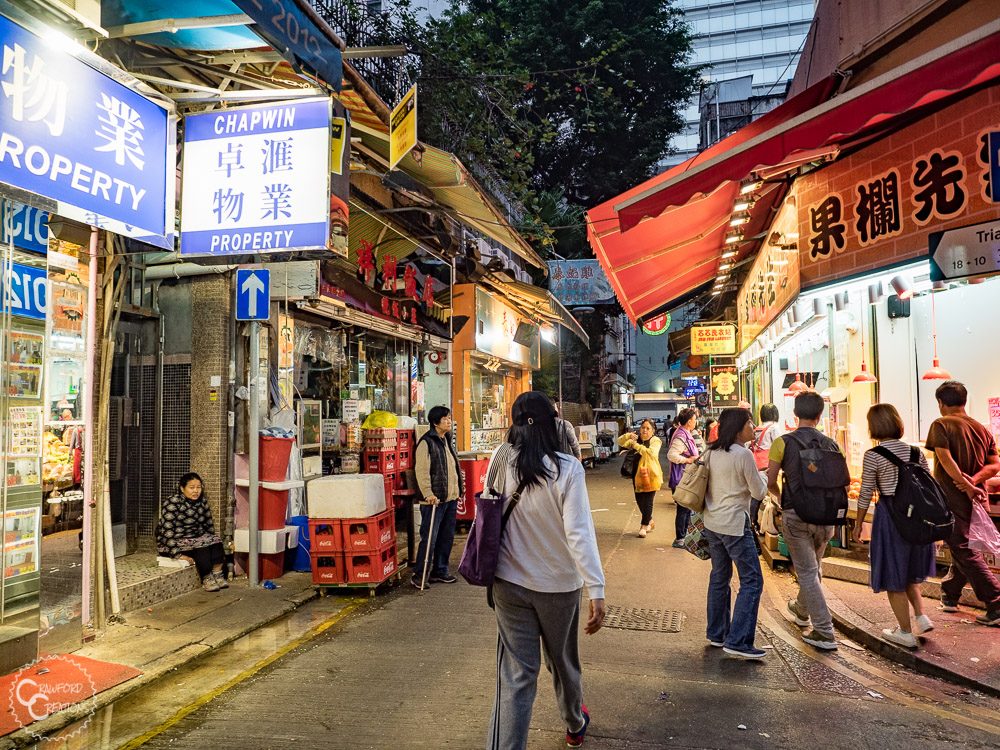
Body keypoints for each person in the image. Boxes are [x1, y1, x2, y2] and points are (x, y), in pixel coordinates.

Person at [485, 392, 606, 750]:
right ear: (553, 424)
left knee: (517, 676)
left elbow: (488, 514)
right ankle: (574, 721)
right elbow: (579, 533)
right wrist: (596, 588)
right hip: (558, 587)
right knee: (563, 661)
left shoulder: (500, 460)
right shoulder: (567, 469)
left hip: (507, 583)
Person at [852, 404, 936, 648]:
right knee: (910, 570)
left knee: (893, 573)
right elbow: (927, 485)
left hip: (890, 517)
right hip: (917, 518)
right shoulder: (915, 452)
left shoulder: (873, 455)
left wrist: (858, 524)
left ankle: (905, 632)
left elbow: (866, 492)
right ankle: (921, 616)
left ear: (874, 427)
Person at [766, 391, 841, 651]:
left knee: (807, 571)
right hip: (827, 517)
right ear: (820, 415)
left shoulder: (783, 443)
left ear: (795, 414)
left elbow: (771, 481)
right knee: (815, 568)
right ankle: (801, 610)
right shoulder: (831, 444)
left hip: (796, 515)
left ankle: (824, 631)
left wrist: (780, 498)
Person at [924, 381, 1000, 626]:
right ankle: (950, 593)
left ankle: (996, 601)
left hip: (951, 498)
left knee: (963, 547)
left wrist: (965, 484)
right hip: (978, 499)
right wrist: (975, 482)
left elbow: (945, 460)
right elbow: (995, 465)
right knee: (961, 547)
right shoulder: (981, 428)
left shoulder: (941, 424)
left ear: (941, 403)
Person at [702, 408, 769, 659]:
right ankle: (739, 640)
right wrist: (765, 477)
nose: (753, 427)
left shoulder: (711, 451)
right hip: (733, 525)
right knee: (752, 580)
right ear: (738, 427)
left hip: (712, 523)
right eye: (750, 423)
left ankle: (718, 633)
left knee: (720, 577)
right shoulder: (743, 455)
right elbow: (758, 492)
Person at [413, 405, 465, 589]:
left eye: (450, 418)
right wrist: (428, 494)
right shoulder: (426, 443)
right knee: (430, 538)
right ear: (435, 422)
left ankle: (440, 570)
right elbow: (422, 471)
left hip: (450, 498)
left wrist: (458, 490)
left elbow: (452, 469)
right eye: (445, 419)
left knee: (446, 537)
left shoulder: (446, 440)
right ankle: (420, 574)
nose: (449, 421)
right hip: (433, 500)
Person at [156, 473, 227, 592]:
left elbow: (208, 524)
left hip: (195, 538)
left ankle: (217, 574)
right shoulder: (173, 502)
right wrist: (177, 554)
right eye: (192, 487)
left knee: (216, 541)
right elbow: (166, 531)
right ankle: (207, 578)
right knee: (201, 547)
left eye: (198, 487)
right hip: (173, 542)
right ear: (182, 488)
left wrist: (211, 539)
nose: (196, 491)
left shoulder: (202, 502)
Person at [618, 419, 663, 537]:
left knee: (648, 501)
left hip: (651, 474)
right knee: (639, 501)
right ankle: (650, 520)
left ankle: (643, 526)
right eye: (643, 427)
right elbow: (620, 442)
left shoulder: (655, 440)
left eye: (648, 428)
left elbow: (651, 453)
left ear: (653, 431)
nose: (645, 430)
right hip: (637, 474)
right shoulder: (636, 438)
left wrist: (636, 446)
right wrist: (628, 435)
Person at [667, 408, 700, 548]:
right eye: (694, 419)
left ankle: (684, 537)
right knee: (683, 509)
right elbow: (672, 455)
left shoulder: (686, 433)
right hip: (682, 477)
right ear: (688, 422)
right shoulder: (681, 436)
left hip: (686, 477)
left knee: (686, 509)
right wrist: (688, 460)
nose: (695, 422)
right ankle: (680, 538)